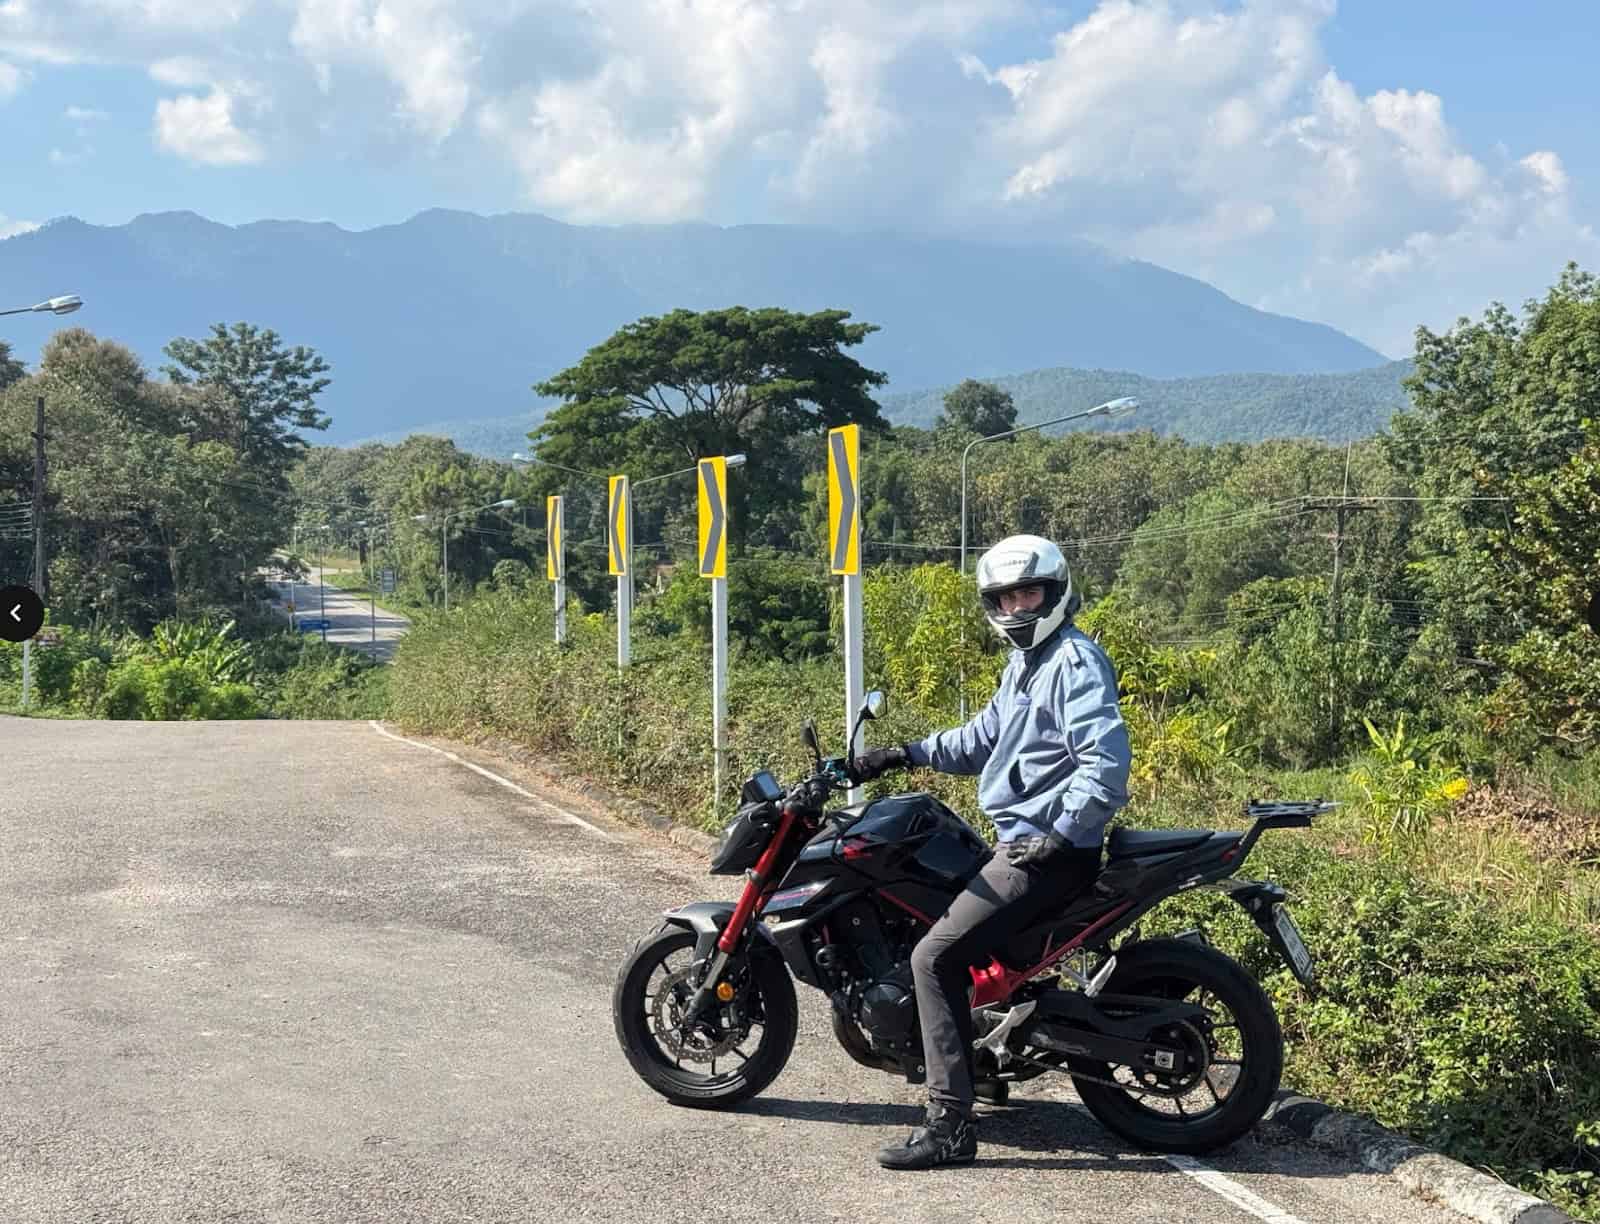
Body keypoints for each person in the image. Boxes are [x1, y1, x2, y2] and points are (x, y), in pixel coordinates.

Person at [846, 533, 1132, 1170]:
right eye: (1004, 597)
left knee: (932, 958)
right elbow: (983, 739)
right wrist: (903, 753)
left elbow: (1105, 767)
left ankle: (949, 1124)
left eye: (1028, 592)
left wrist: (1058, 833)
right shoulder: (1027, 665)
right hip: (1030, 842)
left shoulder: (1073, 663)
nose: (1017, 607)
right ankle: (987, 1055)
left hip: (1048, 850)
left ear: (1054, 592)